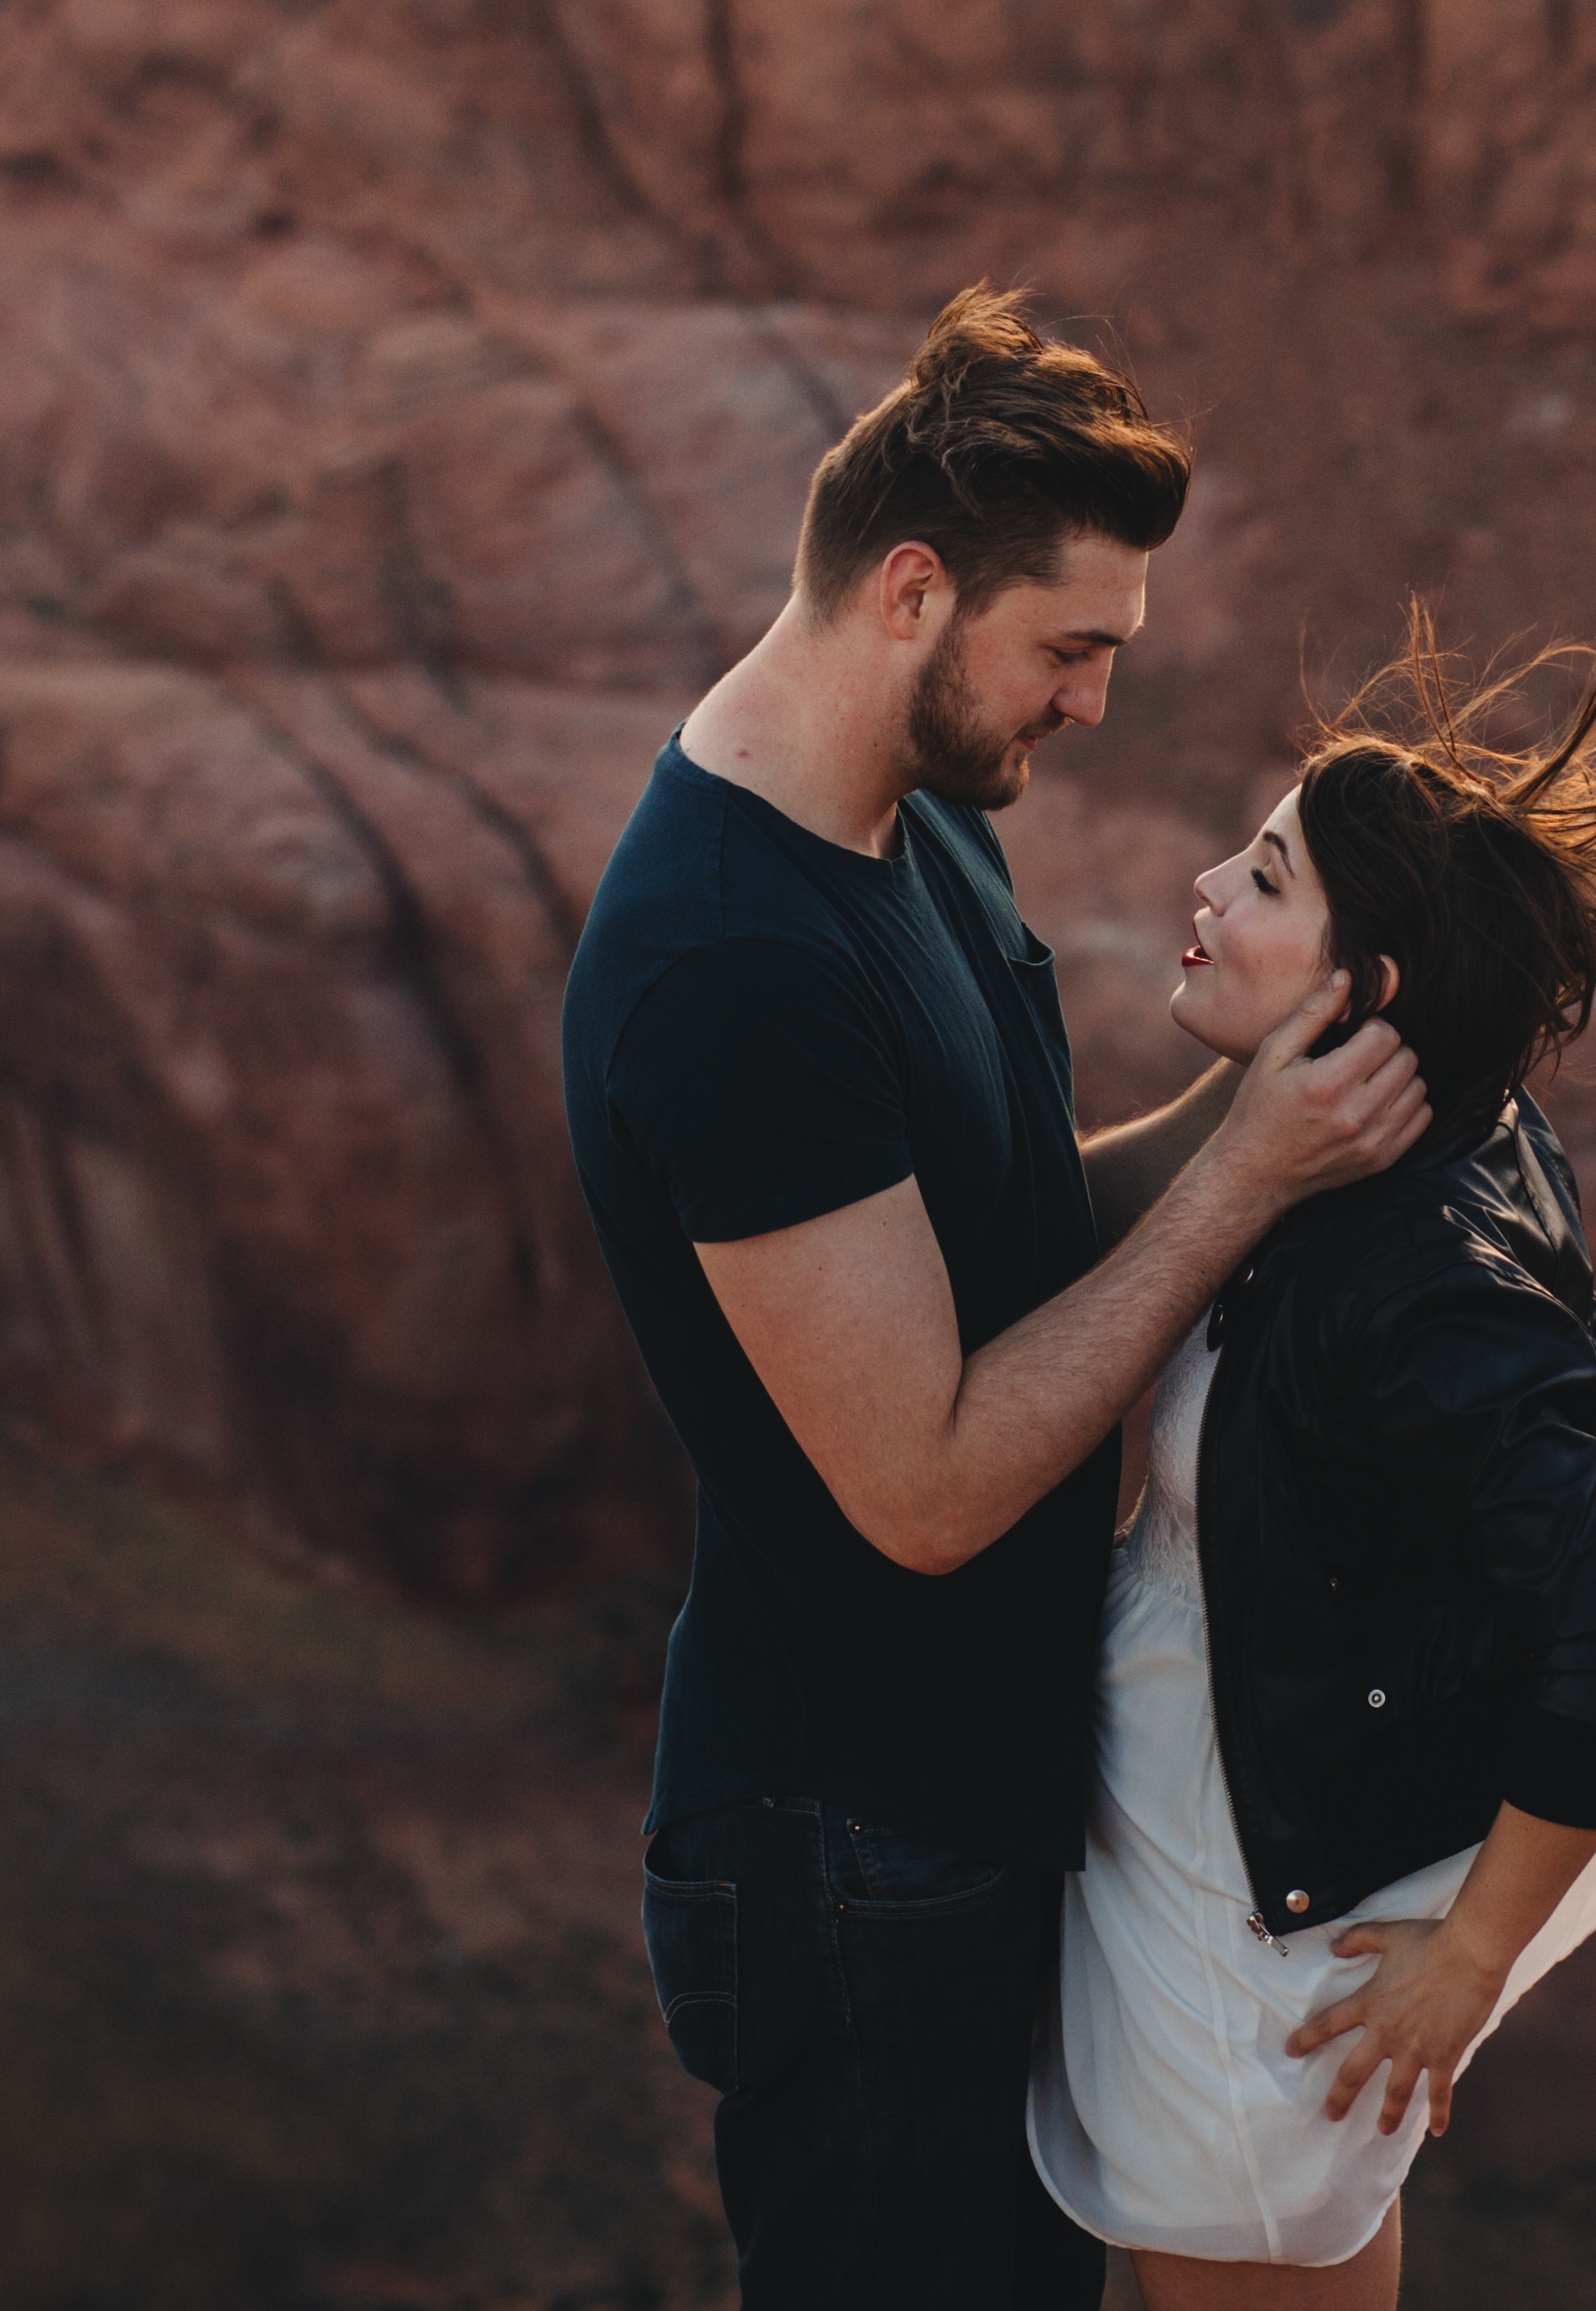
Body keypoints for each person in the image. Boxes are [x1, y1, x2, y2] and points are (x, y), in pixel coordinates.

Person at [562, 287, 1435, 2310]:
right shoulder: (736, 966)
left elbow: (1022, 1225)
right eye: (1072, 651)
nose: (1095, 705)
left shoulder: (910, 821)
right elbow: (931, 1484)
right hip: (854, 1853)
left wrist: (1274, 1089)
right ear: (912, 591)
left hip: (972, 1804)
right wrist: (1245, 1178)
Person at [1031, 586, 1596, 2306]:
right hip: (1200, 1907)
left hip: (1255, 1975)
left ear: (1368, 991)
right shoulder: (1391, 1147)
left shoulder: (1425, 1278)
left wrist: (1471, 1962)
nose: (1207, 891)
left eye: (1265, 877)